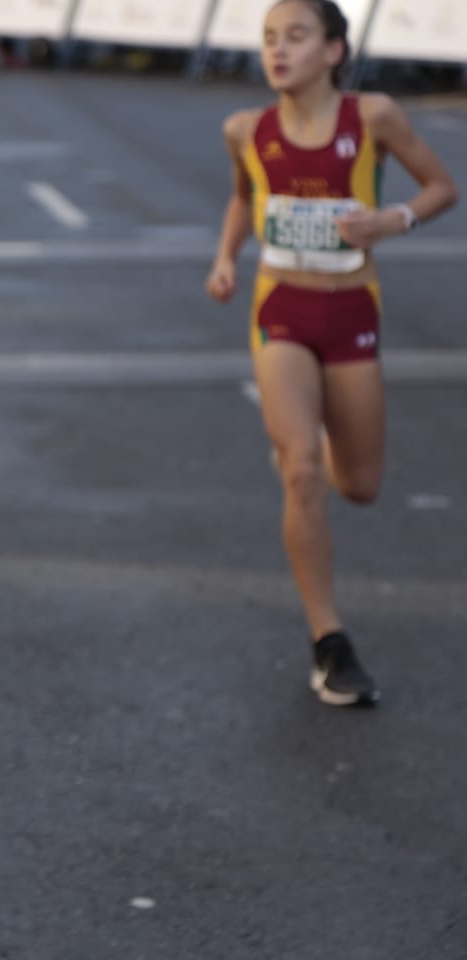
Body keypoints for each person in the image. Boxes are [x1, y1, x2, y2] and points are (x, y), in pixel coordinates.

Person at [205, 0, 457, 706]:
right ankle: (330, 641)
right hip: (280, 310)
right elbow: (241, 197)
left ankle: (303, 437)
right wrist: (226, 258)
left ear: (335, 50)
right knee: (304, 472)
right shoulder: (245, 130)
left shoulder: (373, 117)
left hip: (352, 313)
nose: (277, 51)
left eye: (295, 37)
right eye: (268, 40)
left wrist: (392, 218)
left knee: (361, 483)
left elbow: (442, 187)